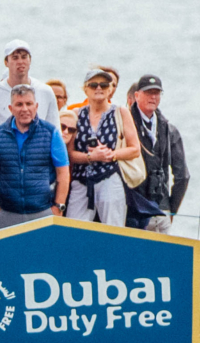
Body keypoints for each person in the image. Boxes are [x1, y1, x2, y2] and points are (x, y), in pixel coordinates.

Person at [63, 67, 143, 228]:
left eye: (104, 85)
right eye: (93, 85)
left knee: (113, 229)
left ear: (110, 89)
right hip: (81, 181)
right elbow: (69, 154)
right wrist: (91, 157)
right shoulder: (76, 113)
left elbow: (135, 149)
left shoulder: (120, 112)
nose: (99, 88)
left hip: (109, 177)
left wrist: (111, 154)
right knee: (73, 230)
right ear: (85, 89)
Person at [0, 83, 70, 230]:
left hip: (42, 211)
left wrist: (58, 208)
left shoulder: (50, 133)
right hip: (7, 213)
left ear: (36, 106)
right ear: (11, 109)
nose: (25, 109)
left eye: (29, 104)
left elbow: (63, 173)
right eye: (19, 104)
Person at [126, 75, 190, 236]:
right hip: (131, 208)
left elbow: (183, 175)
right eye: (148, 92)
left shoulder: (169, 129)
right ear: (137, 95)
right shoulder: (124, 123)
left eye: (157, 93)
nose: (153, 97)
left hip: (159, 209)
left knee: (159, 258)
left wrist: (169, 209)